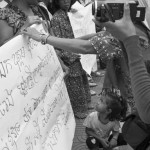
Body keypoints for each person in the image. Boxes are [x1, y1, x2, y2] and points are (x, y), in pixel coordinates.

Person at [21, 3, 150, 124]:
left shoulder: (130, 36)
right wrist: (59, 41)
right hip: (135, 91)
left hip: (139, 97)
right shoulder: (136, 29)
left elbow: (86, 47)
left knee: (135, 126)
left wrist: (43, 37)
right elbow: (96, 37)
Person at [50, 0, 92, 119]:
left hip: (74, 52)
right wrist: (68, 56)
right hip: (68, 55)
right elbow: (59, 42)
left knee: (80, 80)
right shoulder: (56, 18)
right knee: (74, 83)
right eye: (62, 0)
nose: (66, 1)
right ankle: (79, 110)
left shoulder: (68, 14)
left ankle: (84, 105)